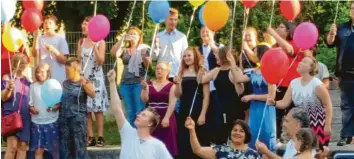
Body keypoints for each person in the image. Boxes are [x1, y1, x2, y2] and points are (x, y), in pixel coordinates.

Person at [268, 56, 333, 151]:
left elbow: (328, 104)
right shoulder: (293, 83)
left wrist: (327, 125)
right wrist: (274, 103)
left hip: (318, 125)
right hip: (301, 125)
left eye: (304, 62)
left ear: (311, 67)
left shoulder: (317, 84)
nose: (300, 63)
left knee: (317, 152)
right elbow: (285, 103)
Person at [107, 69, 173, 159]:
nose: (138, 115)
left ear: (150, 123)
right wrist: (112, 82)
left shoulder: (158, 146)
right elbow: (117, 109)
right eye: (141, 113)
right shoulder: (127, 132)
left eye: (144, 115)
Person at [232, 43, 276, 152]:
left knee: (266, 134)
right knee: (254, 133)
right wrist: (232, 63)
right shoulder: (254, 71)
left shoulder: (271, 71)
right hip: (255, 108)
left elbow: (271, 96)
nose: (252, 54)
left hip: (266, 108)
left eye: (255, 52)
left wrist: (252, 96)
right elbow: (238, 78)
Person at [197, 46, 246, 143]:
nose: (215, 57)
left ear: (223, 57)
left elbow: (240, 91)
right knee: (219, 136)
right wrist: (201, 67)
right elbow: (200, 80)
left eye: (217, 55)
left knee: (230, 135)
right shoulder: (216, 70)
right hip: (218, 107)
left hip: (232, 109)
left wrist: (233, 67)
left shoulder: (235, 71)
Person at [267, 21, 303, 141]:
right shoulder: (274, 47)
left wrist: (273, 34)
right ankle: (276, 138)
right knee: (278, 113)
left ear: (289, 31)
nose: (277, 28)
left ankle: (296, 138)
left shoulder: (296, 43)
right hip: (279, 84)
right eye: (277, 27)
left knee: (294, 113)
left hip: (292, 84)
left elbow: (288, 49)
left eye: (281, 27)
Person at [77, 16, 109, 147]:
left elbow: (101, 61)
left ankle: (100, 136)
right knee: (87, 109)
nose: (83, 26)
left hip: (96, 79)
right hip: (85, 78)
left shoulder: (101, 42)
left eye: (86, 24)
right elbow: (79, 60)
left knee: (97, 109)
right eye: (83, 24)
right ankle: (90, 136)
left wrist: (95, 46)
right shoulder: (81, 42)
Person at [325, 1, 354, 146]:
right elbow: (329, 43)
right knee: (347, 106)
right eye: (353, 9)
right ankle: (346, 135)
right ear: (350, 11)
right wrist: (331, 34)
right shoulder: (341, 28)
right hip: (346, 74)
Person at [110, 26, 151, 127]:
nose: (132, 36)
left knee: (140, 110)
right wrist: (122, 39)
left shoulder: (144, 48)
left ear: (139, 36)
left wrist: (143, 56)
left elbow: (149, 65)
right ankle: (132, 135)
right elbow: (114, 53)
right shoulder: (124, 50)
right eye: (130, 34)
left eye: (134, 34)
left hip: (139, 84)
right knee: (130, 111)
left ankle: (141, 133)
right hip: (125, 84)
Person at [174, 47, 210, 159]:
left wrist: (203, 114)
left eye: (189, 55)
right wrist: (178, 84)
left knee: (198, 138)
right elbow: (177, 94)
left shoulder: (202, 71)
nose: (186, 58)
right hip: (184, 108)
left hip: (198, 108)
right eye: (184, 56)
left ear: (195, 56)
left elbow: (206, 95)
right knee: (184, 139)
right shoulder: (181, 72)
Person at [59, 57, 96, 159]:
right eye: (65, 70)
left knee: (79, 146)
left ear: (76, 69)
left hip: (78, 119)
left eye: (68, 70)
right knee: (65, 147)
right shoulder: (64, 83)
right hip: (64, 118)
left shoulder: (84, 81)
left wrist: (85, 85)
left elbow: (93, 94)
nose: (66, 72)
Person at [141, 62, 178, 157]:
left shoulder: (171, 85)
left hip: (166, 115)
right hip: (152, 117)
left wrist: (166, 118)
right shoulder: (149, 84)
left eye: (161, 69)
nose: (158, 70)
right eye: (157, 68)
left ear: (167, 72)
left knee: (167, 145)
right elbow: (144, 99)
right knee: (151, 143)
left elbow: (172, 103)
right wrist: (144, 89)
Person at [1, 53, 31, 159]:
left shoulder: (28, 81)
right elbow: (3, 98)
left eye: (25, 63)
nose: (24, 65)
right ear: (14, 64)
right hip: (11, 116)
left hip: (25, 117)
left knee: (22, 147)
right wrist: (9, 88)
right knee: (12, 147)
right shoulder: (7, 78)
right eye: (21, 63)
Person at [185, 118, 261, 159]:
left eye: (241, 131)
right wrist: (192, 130)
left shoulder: (254, 155)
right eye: (235, 130)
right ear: (230, 133)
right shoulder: (220, 150)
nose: (237, 133)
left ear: (246, 135)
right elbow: (197, 150)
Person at [199, 27, 225, 145]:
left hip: (217, 87)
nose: (205, 34)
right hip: (202, 87)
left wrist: (211, 45)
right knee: (205, 115)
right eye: (203, 32)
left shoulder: (220, 47)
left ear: (213, 33)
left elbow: (223, 59)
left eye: (207, 31)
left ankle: (219, 142)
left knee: (217, 115)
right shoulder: (197, 49)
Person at [29, 63, 60, 159]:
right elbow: (30, 104)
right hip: (37, 123)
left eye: (42, 72)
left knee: (54, 152)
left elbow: (59, 104)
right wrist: (32, 109)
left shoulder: (54, 85)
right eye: (37, 72)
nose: (39, 74)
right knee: (38, 151)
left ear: (48, 72)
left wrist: (51, 108)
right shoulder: (33, 86)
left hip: (52, 122)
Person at [152, 8, 188, 81]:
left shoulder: (182, 37)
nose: (173, 22)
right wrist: (156, 47)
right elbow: (154, 57)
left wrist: (182, 73)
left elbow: (185, 57)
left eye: (175, 19)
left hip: (176, 75)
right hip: (161, 75)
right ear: (165, 20)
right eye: (171, 19)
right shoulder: (158, 36)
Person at [32, 15, 69, 83]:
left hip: (57, 77)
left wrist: (53, 50)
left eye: (50, 23)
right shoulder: (40, 38)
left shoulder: (61, 39)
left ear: (55, 26)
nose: (47, 25)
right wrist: (35, 39)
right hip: (43, 78)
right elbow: (34, 54)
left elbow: (64, 61)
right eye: (45, 23)